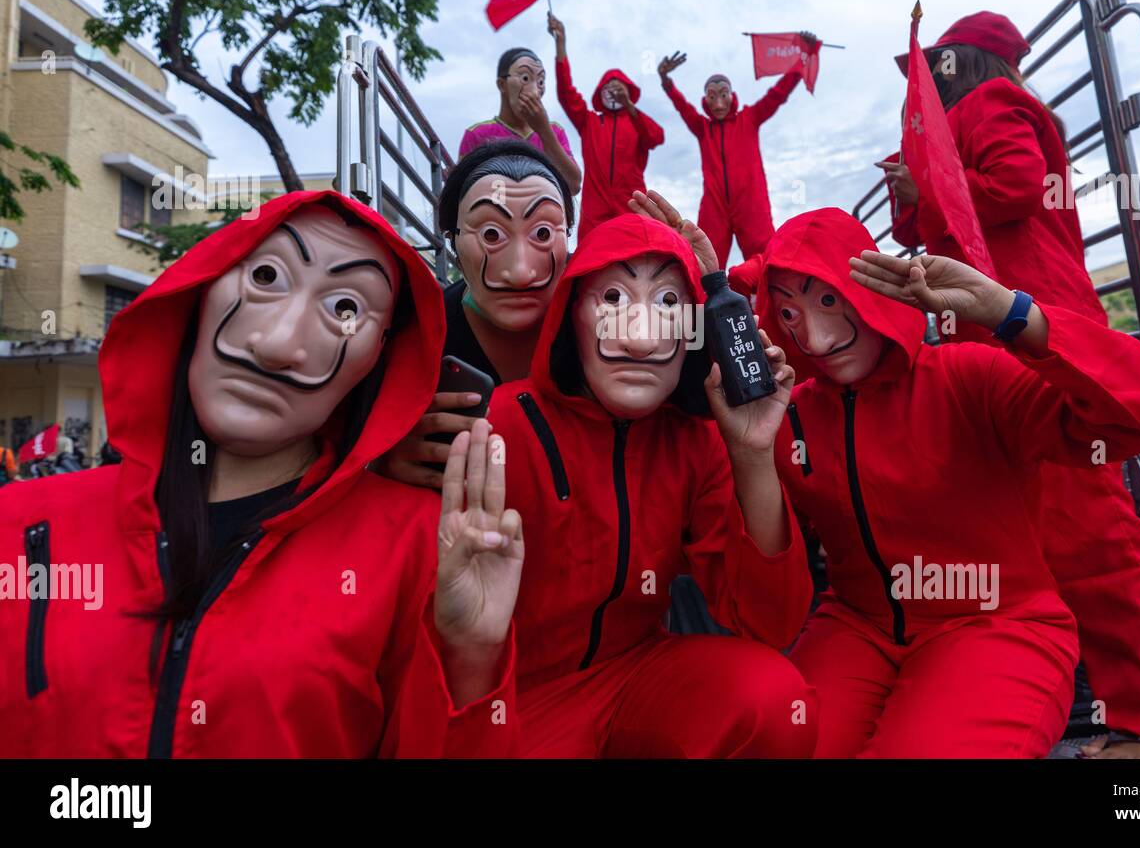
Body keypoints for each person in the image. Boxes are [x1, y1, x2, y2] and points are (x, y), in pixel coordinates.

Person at [0, 190, 522, 758]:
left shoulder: (422, 549)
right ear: (202, 291)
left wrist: (470, 656)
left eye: (346, 309)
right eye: (266, 276)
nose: (278, 345)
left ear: (381, 357)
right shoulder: (22, 524)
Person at [724, 206, 1140, 757]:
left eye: (828, 299)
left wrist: (1013, 312)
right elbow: (761, 594)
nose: (817, 338)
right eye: (788, 313)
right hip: (855, 626)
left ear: (874, 285)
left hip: (997, 624)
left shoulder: (971, 376)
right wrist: (747, 448)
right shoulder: (786, 416)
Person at [878, 11, 1140, 759]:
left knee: (1088, 535)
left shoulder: (994, 105)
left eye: (938, 64)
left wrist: (931, 180)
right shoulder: (958, 120)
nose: (927, 79)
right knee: (1047, 534)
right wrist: (913, 188)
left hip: (1033, 328)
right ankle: (1123, 717)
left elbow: (1013, 188)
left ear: (966, 62)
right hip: (999, 337)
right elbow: (927, 230)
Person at [486, 210, 817, 757]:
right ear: (571, 316)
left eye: (668, 305)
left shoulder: (695, 439)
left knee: (772, 700)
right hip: (512, 697)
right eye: (612, 300)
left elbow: (771, 624)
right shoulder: (499, 425)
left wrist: (753, 455)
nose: (640, 339)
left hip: (636, 675)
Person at [374, 140, 574, 489]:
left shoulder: (597, 326)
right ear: (452, 242)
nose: (521, 271)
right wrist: (378, 458)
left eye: (542, 233)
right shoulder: (413, 336)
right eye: (491, 234)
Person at [657, 33, 816, 266]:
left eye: (723, 95)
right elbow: (682, 107)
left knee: (765, 257)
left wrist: (803, 58)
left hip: (751, 200)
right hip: (715, 204)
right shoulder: (702, 128)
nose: (719, 103)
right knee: (703, 256)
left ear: (732, 97)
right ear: (706, 100)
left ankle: (765, 301)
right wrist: (665, 80)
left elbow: (778, 94)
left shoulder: (749, 118)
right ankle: (705, 303)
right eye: (712, 96)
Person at [547, 12, 665, 242]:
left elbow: (657, 137)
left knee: (635, 261)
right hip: (595, 209)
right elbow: (566, 93)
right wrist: (561, 45)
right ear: (601, 91)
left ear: (629, 91)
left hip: (631, 204)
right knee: (591, 262)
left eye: (619, 88)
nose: (614, 91)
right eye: (609, 87)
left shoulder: (636, 120)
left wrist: (629, 106)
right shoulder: (590, 121)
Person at [459, 47, 583, 194]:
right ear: (502, 84)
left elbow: (573, 185)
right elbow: (462, 192)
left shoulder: (554, 131)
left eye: (541, 81)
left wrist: (544, 130)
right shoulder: (478, 134)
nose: (535, 91)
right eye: (525, 78)